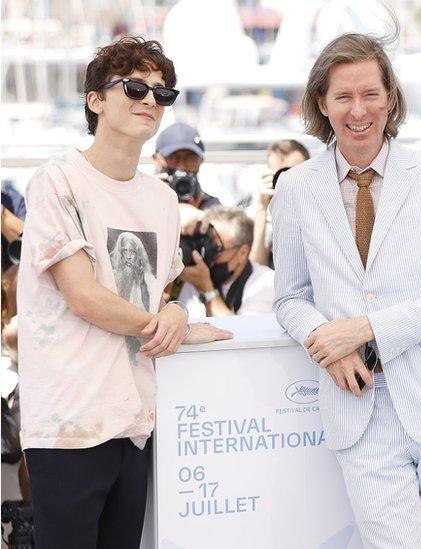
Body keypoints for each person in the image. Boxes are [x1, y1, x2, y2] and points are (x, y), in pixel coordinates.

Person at [272, 31, 421, 548]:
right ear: (321, 103)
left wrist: (363, 330)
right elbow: (288, 297)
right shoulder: (296, 188)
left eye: (370, 93)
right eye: (343, 96)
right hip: (358, 411)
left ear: (390, 96)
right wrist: (328, 344)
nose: (358, 110)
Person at [15, 35, 232, 549]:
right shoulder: (57, 181)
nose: (150, 102)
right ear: (95, 100)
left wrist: (176, 311)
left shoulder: (160, 199)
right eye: (135, 87)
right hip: (70, 423)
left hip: (136, 421)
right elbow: (84, 296)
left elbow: (156, 296)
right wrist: (169, 322)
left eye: (163, 93)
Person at [179, 206, 275, 316]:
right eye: (203, 243)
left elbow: (244, 332)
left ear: (243, 252)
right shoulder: (194, 274)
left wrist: (206, 289)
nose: (205, 255)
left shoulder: (265, 283)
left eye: (215, 249)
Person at [153, 122, 221, 235]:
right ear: (156, 160)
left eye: (191, 159)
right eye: (173, 157)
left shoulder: (211, 206)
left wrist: (200, 221)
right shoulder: (142, 201)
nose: (182, 167)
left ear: (200, 161)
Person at [251, 139, 310, 268]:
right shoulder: (262, 215)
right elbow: (256, 267)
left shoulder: (320, 207)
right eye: (279, 175)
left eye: (292, 173)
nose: (285, 182)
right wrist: (262, 208)